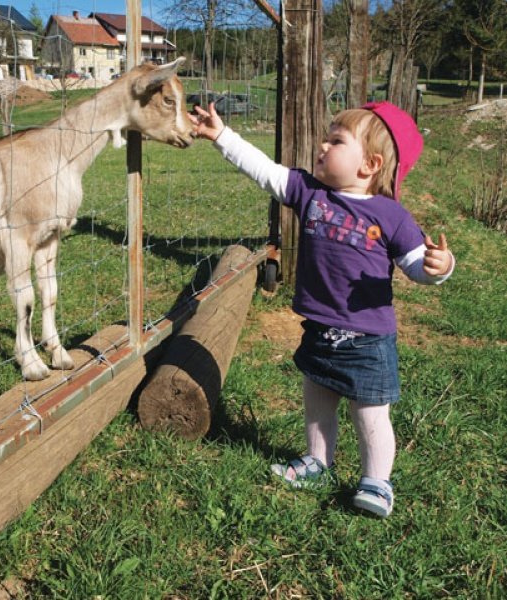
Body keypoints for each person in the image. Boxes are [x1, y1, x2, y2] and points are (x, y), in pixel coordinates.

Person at [189, 101, 455, 518]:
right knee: (317, 401)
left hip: (367, 338)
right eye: (326, 137)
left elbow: (418, 265)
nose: (322, 145)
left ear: (370, 163)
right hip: (319, 329)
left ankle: (377, 482)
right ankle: (317, 462)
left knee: (369, 414)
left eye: (336, 140)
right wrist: (221, 135)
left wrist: (438, 268)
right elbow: (263, 169)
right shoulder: (310, 193)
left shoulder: (392, 216)